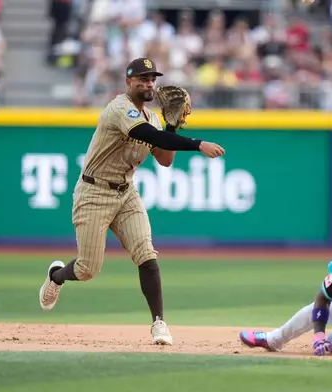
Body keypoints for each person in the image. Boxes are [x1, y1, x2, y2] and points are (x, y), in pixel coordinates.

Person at [38, 57, 226, 345]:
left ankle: (159, 323)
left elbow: (164, 160)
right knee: (88, 269)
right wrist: (197, 144)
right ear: (129, 82)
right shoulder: (119, 108)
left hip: (126, 193)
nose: (149, 83)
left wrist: (172, 127)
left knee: (146, 253)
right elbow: (145, 134)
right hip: (94, 192)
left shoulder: (153, 117)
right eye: (142, 78)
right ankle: (56, 276)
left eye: (152, 78)